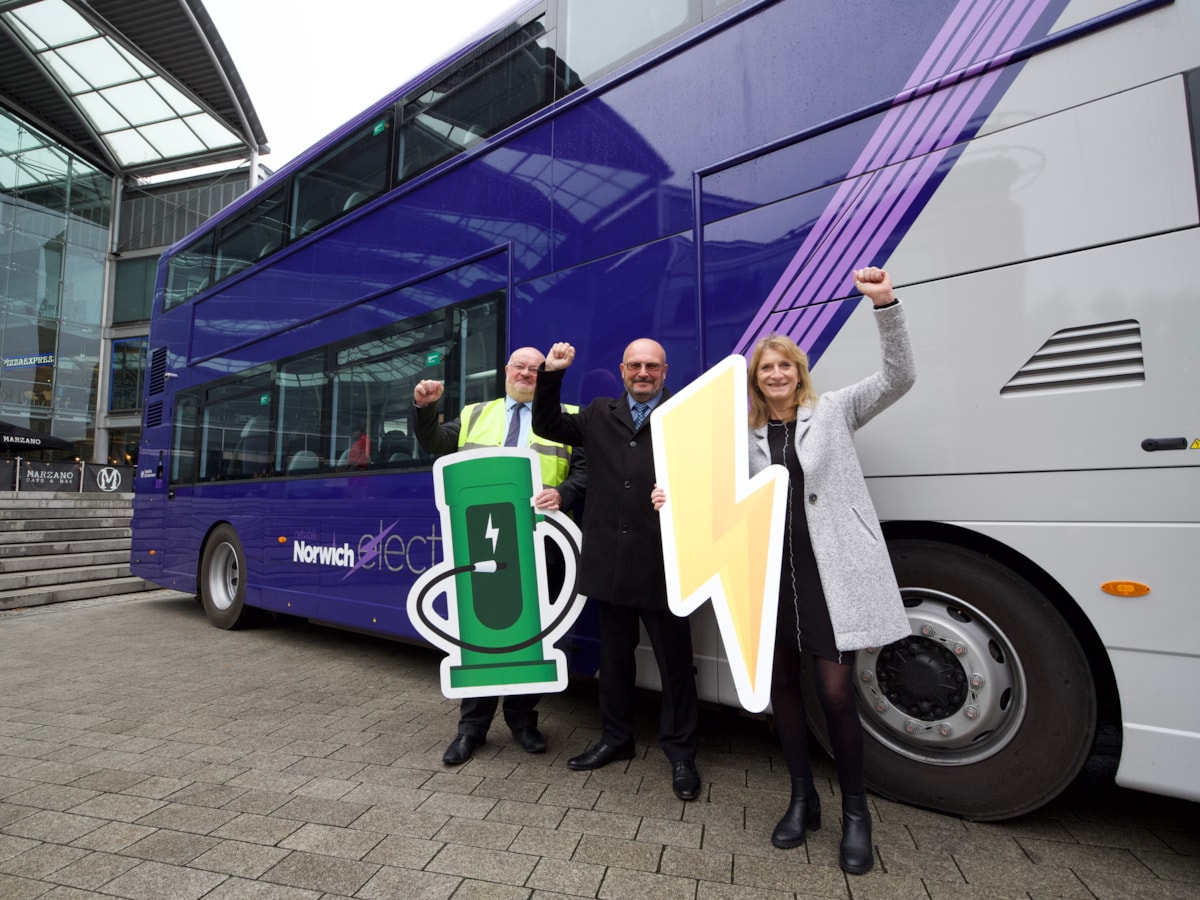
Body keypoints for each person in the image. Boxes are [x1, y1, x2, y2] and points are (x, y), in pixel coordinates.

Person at [652, 266, 913, 872]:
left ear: (799, 371)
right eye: (765, 368)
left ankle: (856, 813)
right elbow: (713, 492)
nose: (775, 374)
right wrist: (674, 498)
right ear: (755, 380)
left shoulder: (835, 410)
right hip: (767, 576)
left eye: (784, 366)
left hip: (828, 573)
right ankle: (802, 799)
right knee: (782, 690)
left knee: (836, 693)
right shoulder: (742, 435)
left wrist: (885, 305)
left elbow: (900, 377)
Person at [532, 338, 701, 802]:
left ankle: (681, 752)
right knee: (615, 659)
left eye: (652, 366)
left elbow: (709, 479)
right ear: (622, 370)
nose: (643, 373)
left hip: (667, 562)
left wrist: (683, 496)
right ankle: (616, 737)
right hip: (611, 560)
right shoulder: (597, 414)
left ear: (665, 371)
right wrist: (553, 373)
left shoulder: (686, 415)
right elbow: (546, 423)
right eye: (635, 366)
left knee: (675, 664)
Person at [413, 346, 586, 765]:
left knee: (535, 635)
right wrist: (425, 408)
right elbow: (435, 442)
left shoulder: (569, 416)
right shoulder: (474, 414)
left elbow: (585, 470)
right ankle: (471, 729)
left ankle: (523, 721)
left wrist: (564, 493)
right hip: (482, 542)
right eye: (519, 367)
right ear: (507, 371)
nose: (526, 374)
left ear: (544, 375)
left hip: (543, 544)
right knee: (480, 634)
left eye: (535, 369)